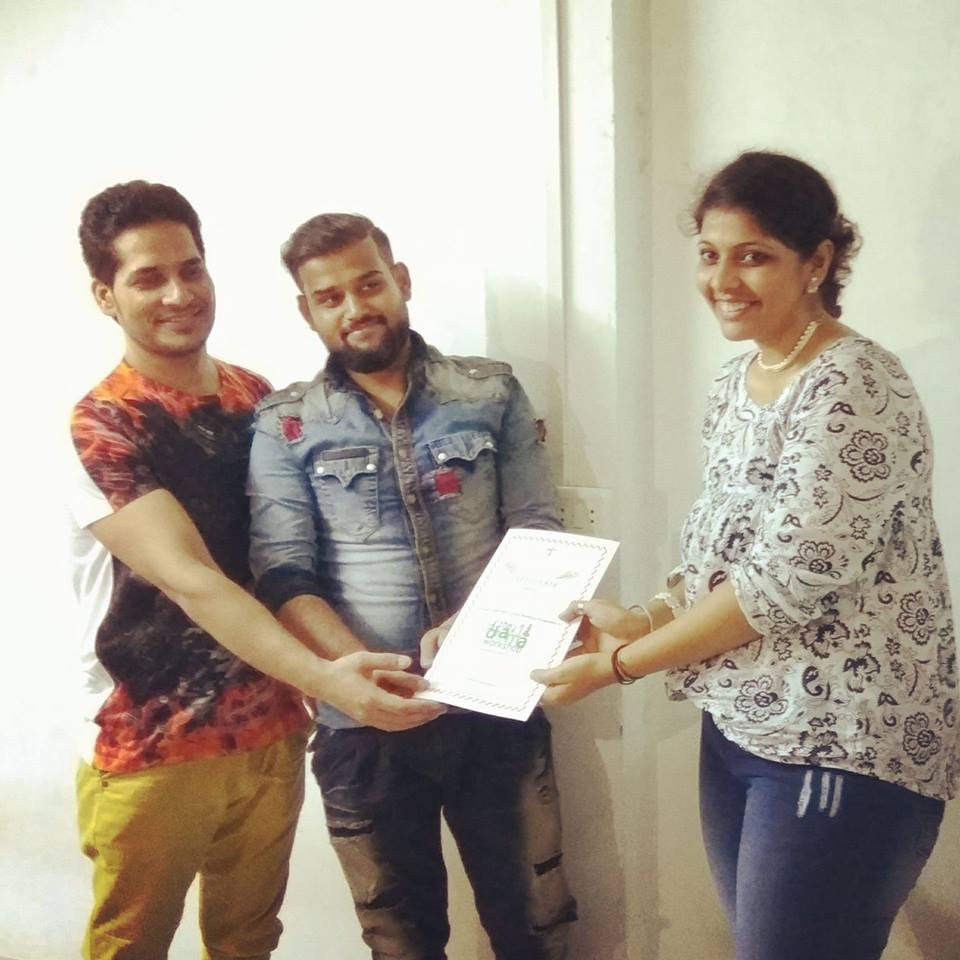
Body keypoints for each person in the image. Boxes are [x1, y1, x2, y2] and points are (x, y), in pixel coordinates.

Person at [533, 151, 958, 960]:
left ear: (817, 263)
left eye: (753, 256)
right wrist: (645, 617)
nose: (722, 280)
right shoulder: (737, 381)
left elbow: (777, 588)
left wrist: (620, 666)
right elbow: (725, 559)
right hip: (744, 726)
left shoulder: (854, 384)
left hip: (841, 741)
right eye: (709, 253)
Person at [68, 182, 438, 960]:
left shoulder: (257, 399)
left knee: (248, 941)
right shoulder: (101, 424)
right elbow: (193, 580)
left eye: (191, 269)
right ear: (105, 296)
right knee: (130, 947)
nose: (180, 294)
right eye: (148, 278)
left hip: (270, 727)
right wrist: (331, 679)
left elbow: (300, 559)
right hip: (152, 741)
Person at [247, 212, 577, 960]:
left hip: (496, 705)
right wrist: (361, 673)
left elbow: (538, 531)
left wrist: (478, 620)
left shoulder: (489, 392)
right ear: (307, 311)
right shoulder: (284, 424)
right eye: (329, 297)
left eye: (368, 284)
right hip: (361, 724)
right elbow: (283, 572)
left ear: (399, 281)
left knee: (536, 925)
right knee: (399, 940)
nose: (354, 307)